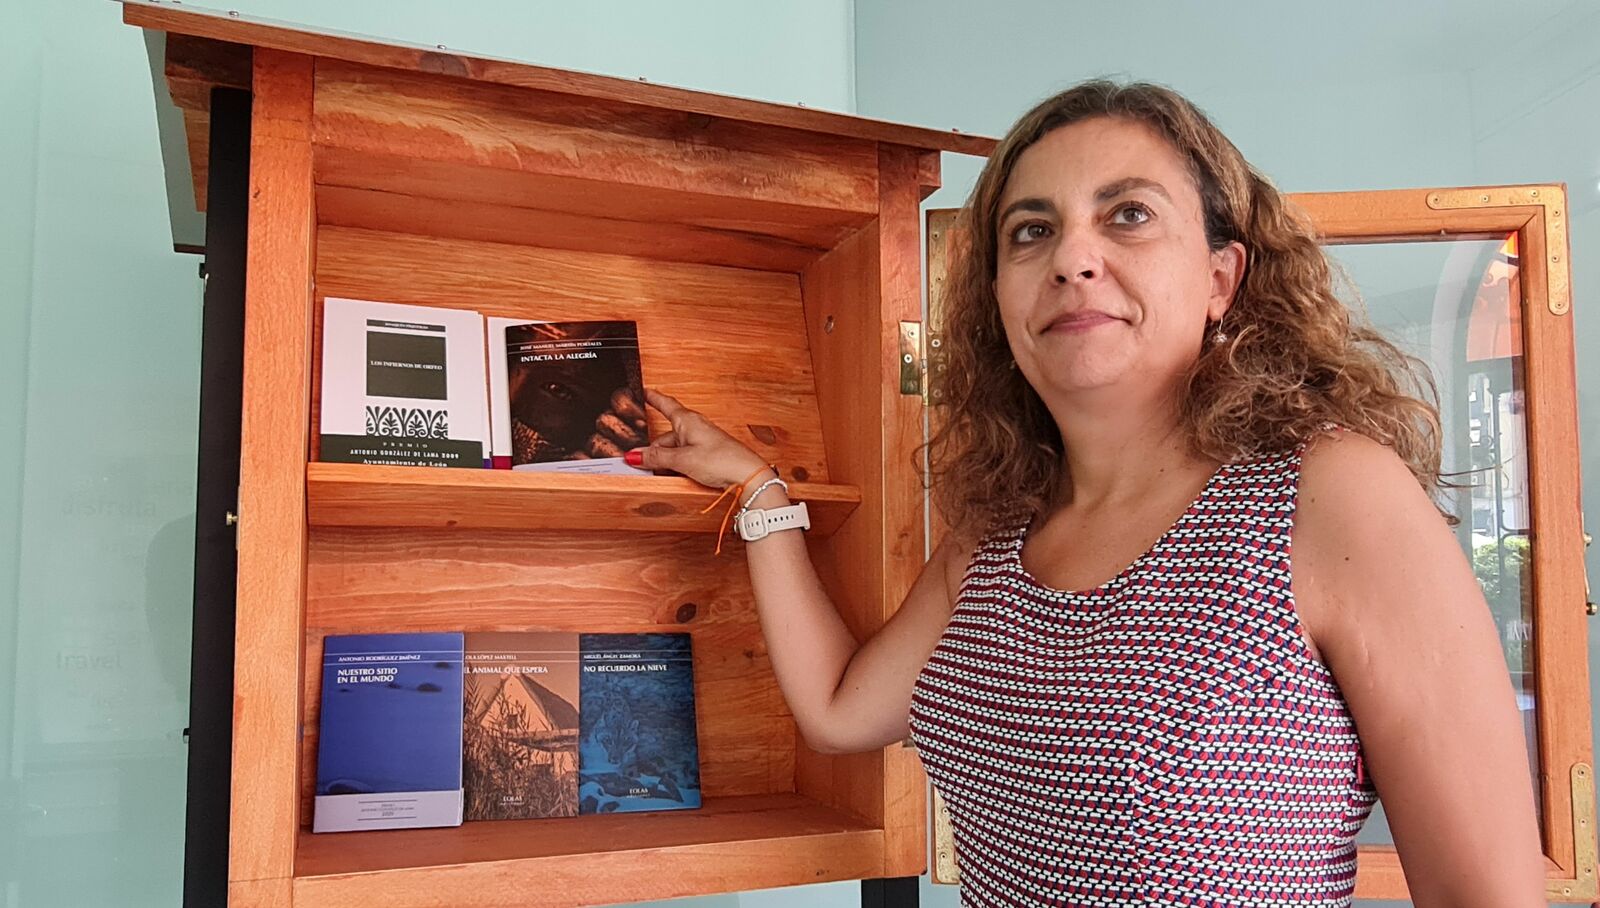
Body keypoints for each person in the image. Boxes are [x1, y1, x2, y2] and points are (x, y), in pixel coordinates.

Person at [622, 80, 1544, 907]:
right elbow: (836, 709)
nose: (1073, 257)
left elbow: (1485, 895)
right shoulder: (997, 533)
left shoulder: (1329, 496)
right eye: (1032, 230)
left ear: (1222, 277)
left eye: (1128, 215)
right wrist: (759, 491)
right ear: (1000, 297)